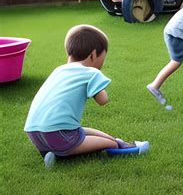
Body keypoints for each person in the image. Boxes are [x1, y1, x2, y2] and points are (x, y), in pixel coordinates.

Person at [24, 25, 149, 168]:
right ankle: (128, 148)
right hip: (59, 134)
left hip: (34, 133)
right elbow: (103, 101)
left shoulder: (59, 70)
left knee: (84, 131)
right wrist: (98, 86)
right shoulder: (91, 73)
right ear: (93, 55)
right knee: (110, 143)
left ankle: (53, 153)